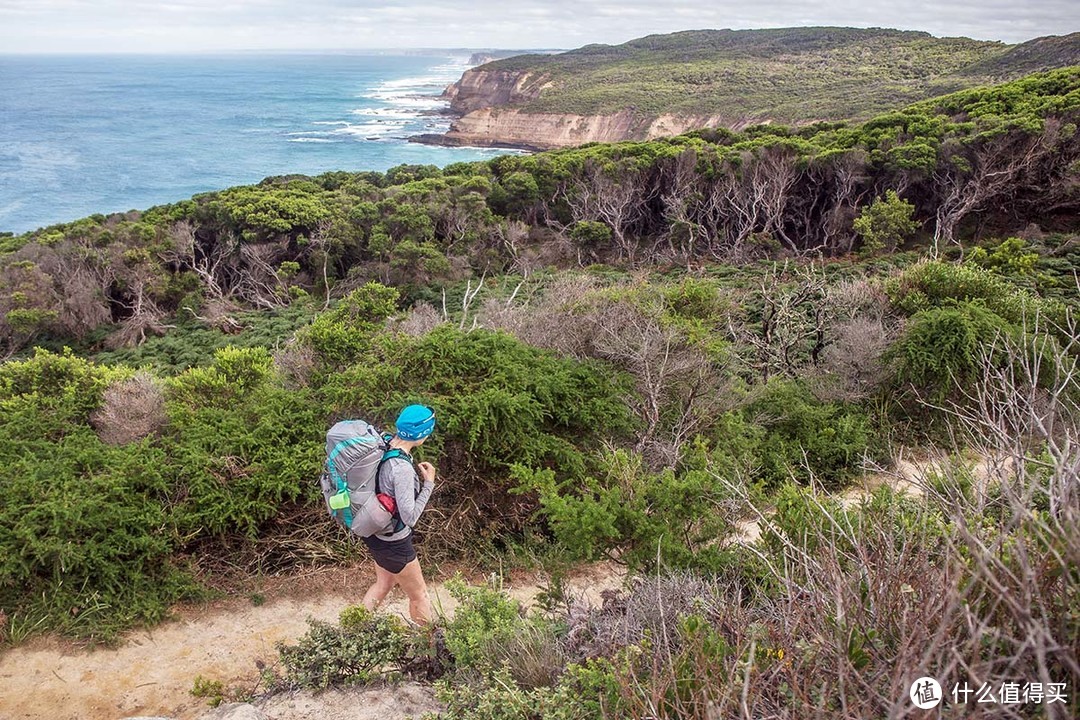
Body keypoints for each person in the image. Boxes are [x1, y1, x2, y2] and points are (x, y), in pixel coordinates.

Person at [361, 404, 437, 624]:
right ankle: (428, 650)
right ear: (422, 434)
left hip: (374, 534)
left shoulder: (383, 443)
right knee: (419, 595)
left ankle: (352, 631)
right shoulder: (400, 467)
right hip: (394, 543)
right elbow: (409, 517)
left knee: (383, 584)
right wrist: (429, 484)